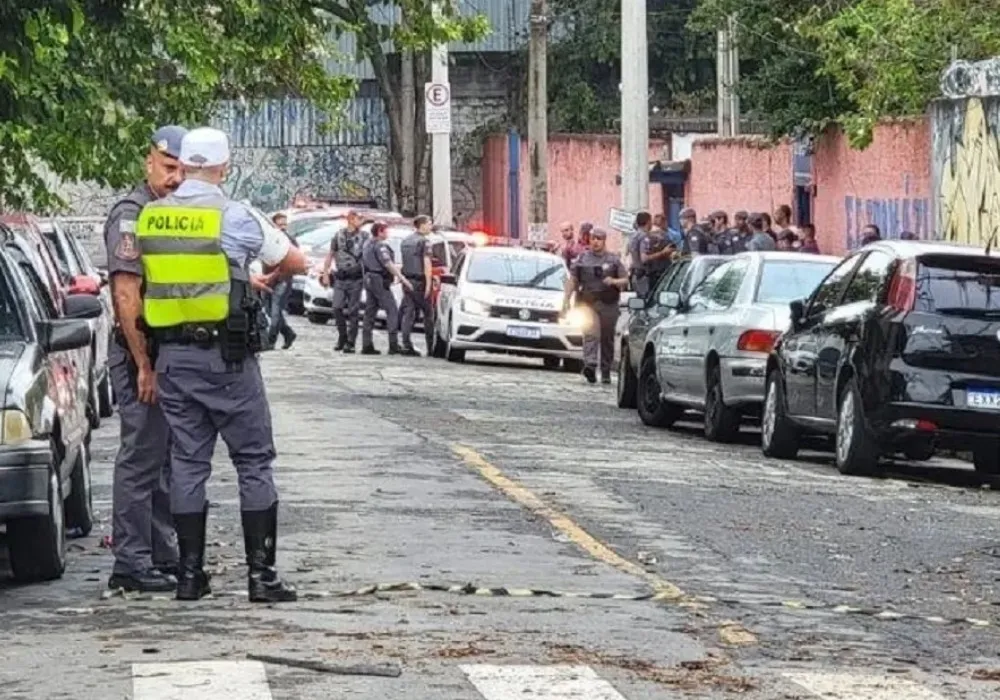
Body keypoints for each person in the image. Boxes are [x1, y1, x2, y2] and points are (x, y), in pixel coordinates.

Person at [135, 127, 307, 602]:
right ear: (224, 167)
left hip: (172, 358)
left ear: (183, 165)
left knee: (188, 464)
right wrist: (256, 276)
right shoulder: (236, 216)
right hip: (227, 360)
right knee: (253, 462)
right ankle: (262, 578)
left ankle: (189, 577)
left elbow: (172, 276)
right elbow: (297, 261)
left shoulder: (151, 217)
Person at [104, 126, 185, 594]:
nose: (174, 177)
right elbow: (125, 291)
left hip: (167, 352)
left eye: (181, 169)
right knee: (141, 457)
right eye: (167, 166)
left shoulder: (169, 214)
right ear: (148, 162)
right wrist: (143, 365)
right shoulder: (132, 215)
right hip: (142, 352)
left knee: (163, 457)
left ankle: (160, 550)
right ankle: (131, 562)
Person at [564, 228, 628, 385]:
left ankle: (605, 370)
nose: (595, 242)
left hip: (608, 303)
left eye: (599, 239)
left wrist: (613, 281)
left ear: (604, 241)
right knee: (591, 333)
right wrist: (566, 298)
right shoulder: (582, 259)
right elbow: (573, 279)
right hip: (588, 302)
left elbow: (625, 279)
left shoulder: (613, 260)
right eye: (593, 238)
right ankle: (590, 365)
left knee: (607, 337)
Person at [361, 221, 411, 355]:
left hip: (368, 278)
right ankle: (393, 344)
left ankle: (366, 344)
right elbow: (388, 263)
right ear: (380, 232)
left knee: (370, 312)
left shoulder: (366, 244)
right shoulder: (380, 246)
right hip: (379, 279)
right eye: (386, 231)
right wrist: (402, 278)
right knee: (392, 310)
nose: (387, 233)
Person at [321, 210, 367, 353]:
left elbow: (369, 255)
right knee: (337, 308)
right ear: (351, 220)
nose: (361, 221)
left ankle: (351, 342)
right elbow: (331, 254)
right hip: (341, 277)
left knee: (353, 311)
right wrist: (325, 273)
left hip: (356, 278)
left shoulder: (365, 237)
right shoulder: (339, 235)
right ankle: (342, 336)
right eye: (359, 218)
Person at [398, 215, 435, 356]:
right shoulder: (424, 242)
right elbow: (427, 264)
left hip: (407, 280)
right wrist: (428, 284)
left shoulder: (406, 241)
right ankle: (431, 347)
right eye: (429, 223)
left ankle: (406, 344)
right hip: (420, 281)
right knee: (428, 314)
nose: (431, 226)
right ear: (422, 225)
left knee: (409, 312)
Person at [265, 213, 298, 350]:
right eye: (280, 224)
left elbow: (296, 260)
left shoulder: (290, 241)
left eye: (285, 224)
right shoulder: (269, 238)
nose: (283, 227)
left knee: (275, 311)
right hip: (267, 279)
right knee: (269, 310)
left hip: (283, 280)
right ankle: (288, 332)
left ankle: (270, 340)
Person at [637, 212, 675, 297]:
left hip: (648, 274)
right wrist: (663, 253)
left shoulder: (639, 236)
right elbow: (672, 253)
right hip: (662, 272)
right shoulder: (665, 236)